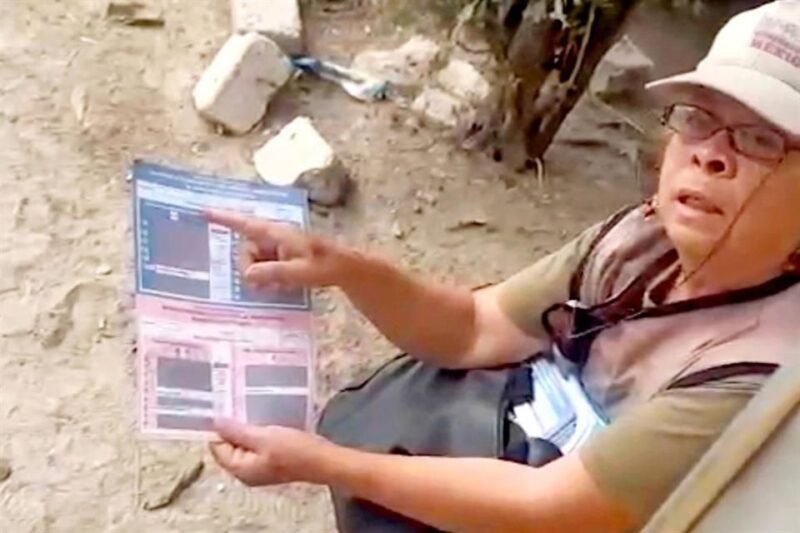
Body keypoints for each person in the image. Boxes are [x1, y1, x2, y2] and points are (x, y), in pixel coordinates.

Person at [207, 2, 800, 532]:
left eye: (761, 139)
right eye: (697, 117)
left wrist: (324, 463)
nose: (710, 155)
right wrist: (341, 267)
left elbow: (551, 511)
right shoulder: (640, 237)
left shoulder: (765, 375)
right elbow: (474, 328)